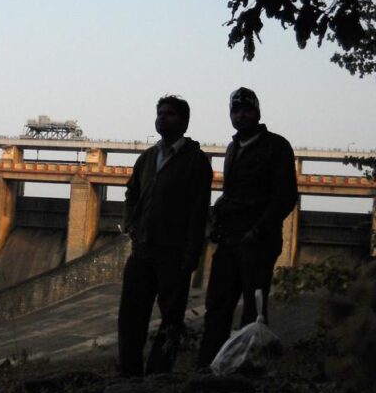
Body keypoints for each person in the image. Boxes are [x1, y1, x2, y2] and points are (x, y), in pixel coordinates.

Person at [196, 87, 298, 368]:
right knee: (217, 307)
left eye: (247, 109)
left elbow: (286, 196)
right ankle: (210, 366)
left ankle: (249, 369)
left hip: (258, 244)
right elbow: (230, 194)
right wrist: (218, 219)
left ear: (258, 112)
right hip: (229, 241)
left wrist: (259, 231)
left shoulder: (276, 146)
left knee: (254, 312)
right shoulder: (232, 149)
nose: (241, 115)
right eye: (236, 110)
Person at [118, 95, 213, 377]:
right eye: (160, 113)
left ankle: (159, 374)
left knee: (171, 320)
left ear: (183, 122)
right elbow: (131, 193)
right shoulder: (148, 157)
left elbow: (199, 210)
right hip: (143, 251)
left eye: (170, 114)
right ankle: (129, 374)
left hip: (174, 254)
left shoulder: (195, 161)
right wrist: (129, 223)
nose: (162, 118)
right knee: (131, 317)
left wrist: (191, 254)